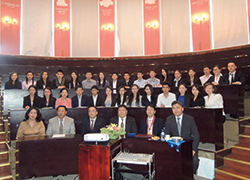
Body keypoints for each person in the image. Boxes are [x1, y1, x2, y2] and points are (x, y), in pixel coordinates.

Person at [165, 101, 200, 174]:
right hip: (174, 146)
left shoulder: (190, 119)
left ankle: (190, 175)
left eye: (178, 108)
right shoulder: (169, 119)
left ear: (182, 109)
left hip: (187, 146)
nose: (175, 110)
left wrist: (193, 149)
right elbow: (167, 134)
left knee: (194, 161)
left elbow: (196, 135)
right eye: (173, 108)